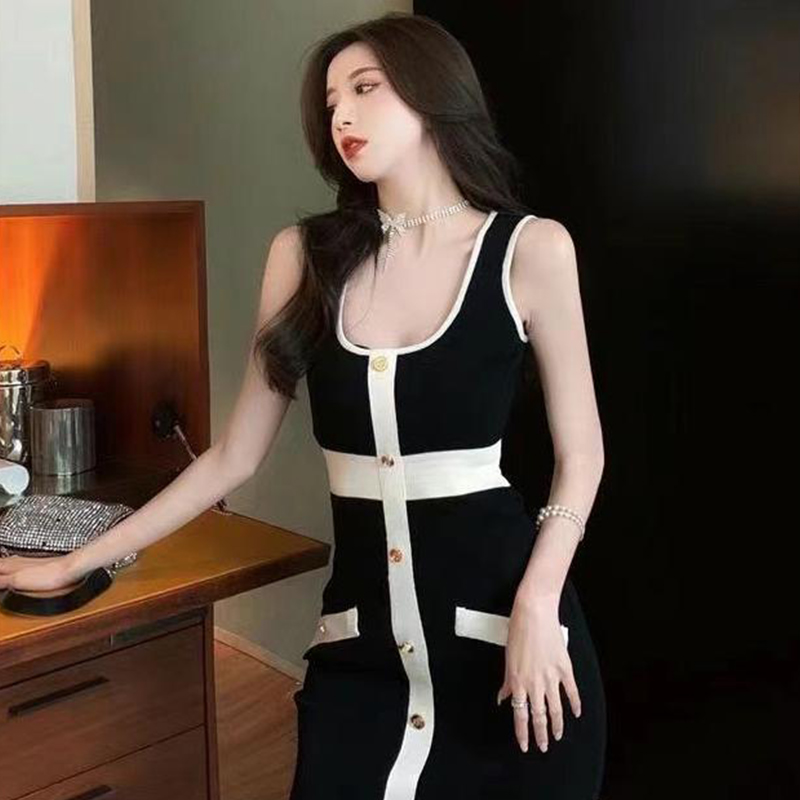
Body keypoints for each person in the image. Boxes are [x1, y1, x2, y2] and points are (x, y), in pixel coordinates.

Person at [0, 12, 607, 799]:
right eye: (330, 103)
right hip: (362, 656)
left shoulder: (531, 251)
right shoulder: (305, 259)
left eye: (365, 88)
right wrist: (76, 562)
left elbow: (581, 455)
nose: (341, 115)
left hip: (511, 644)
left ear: (433, 93)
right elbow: (232, 458)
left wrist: (538, 600)